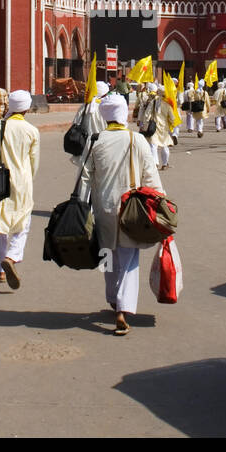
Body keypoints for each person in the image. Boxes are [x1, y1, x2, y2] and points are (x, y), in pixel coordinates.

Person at [77, 92, 164, 336]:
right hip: (131, 211)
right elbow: (151, 178)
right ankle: (123, 309)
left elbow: (84, 178)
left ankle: (113, 299)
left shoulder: (94, 140)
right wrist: (162, 207)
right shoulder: (137, 140)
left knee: (107, 256)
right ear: (123, 113)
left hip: (102, 208)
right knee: (128, 258)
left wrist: (82, 207)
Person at [0, 89, 40, 289]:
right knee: (22, 223)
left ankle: (0, 269)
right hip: (22, 182)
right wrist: (28, 179)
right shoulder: (31, 131)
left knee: (0, 224)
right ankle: (12, 257)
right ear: (27, 108)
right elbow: (34, 163)